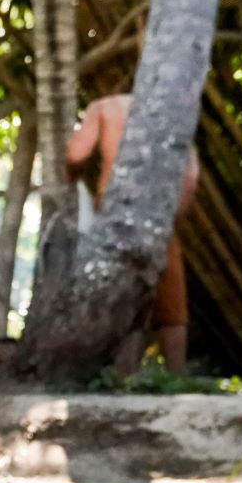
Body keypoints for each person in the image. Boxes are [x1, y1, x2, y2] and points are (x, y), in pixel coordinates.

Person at [66, 93, 201, 376]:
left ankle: (123, 378)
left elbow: (76, 153)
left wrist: (71, 176)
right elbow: (190, 176)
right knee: (171, 307)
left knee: (123, 300)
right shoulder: (172, 107)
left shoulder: (103, 106)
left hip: (115, 213)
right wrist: (171, 217)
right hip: (159, 217)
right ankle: (177, 377)